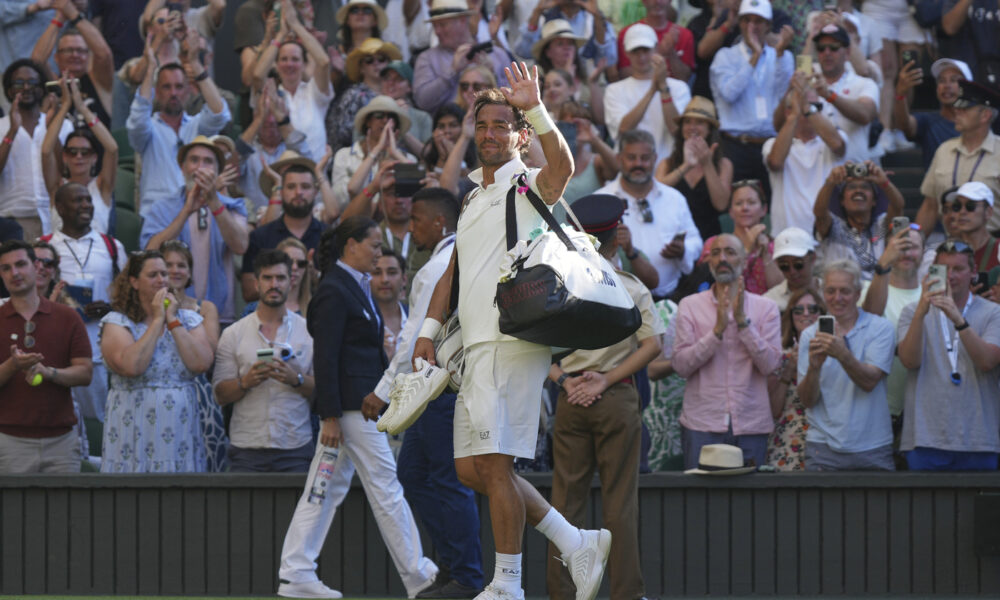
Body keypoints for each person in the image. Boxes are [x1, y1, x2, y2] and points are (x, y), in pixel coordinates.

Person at [412, 66, 611, 600]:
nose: (491, 134)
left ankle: (508, 586)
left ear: (521, 136)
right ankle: (573, 540)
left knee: (494, 466)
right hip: (475, 350)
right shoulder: (474, 197)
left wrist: (538, 108)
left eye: (504, 125)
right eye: (484, 125)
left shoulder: (526, 184)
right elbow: (454, 273)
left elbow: (563, 166)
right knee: (471, 469)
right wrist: (429, 331)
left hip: (510, 343)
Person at [278, 217, 438, 600]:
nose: (378, 253)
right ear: (351, 245)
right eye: (374, 245)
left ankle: (296, 571)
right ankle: (420, 577)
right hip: (349, 412)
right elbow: (326, 357)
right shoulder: (336, 288)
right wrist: (330, 416)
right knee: (386, 487)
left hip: (352, 410)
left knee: (325, 489)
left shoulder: (350, 285)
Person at [361, 188, 483, 599]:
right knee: (413, 477)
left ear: (438, 223)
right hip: (431, 390)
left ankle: (466, 575)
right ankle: (451, 565)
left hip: (439, 387)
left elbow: (415, 335)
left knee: (449, 482)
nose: (409, 228)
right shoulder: (441, 261)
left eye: (415, 220)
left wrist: (382, 391)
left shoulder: (438, 268)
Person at [545, 194, 663, 600]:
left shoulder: (557, 284)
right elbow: (653, 345)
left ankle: (560, 594)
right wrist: (607, 379)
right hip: (615, 397)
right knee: (620, 506)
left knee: (564, 507)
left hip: (571, 397)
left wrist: (565, 381)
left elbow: (533, 348)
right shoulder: (630, 286)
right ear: (616, 236)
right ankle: (626, 594)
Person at [672, 234, 783, 470]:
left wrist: (743, 324)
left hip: (751, 424)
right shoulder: (690, 306)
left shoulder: (767, 308)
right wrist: (717, 331)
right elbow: (681, 366)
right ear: (709, 262)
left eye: (730, 252)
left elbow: (771, 365)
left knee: (752, 505)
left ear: (744, 261)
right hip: (702, 423)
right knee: (700, 503)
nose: (722, 258)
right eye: (716, 252)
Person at [99, 250, 215, 472]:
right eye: (153, 275)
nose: (162, 279)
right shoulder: (116, 322)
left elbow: (201, 363)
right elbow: (132, 366)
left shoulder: (188, 320)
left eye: (164, 274)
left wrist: (171, 320)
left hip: (179, 429)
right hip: (132, 427)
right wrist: (156, 320)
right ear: (134, 282)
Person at [897, 240, 1000, 471]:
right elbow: (909, 361)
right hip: (925, 439)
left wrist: (958, 320)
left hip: (978, 439)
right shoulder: (913, 312)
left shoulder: (994, 313)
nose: (951, 276)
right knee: (925, 508)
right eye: (944, 269)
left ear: (973, 272)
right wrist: (922, 312)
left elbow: (987, 362)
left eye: (959, 269)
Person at [214, 249, 315, 473]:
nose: (274, 284)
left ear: (291, 281)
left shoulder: (308, 332)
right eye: (267, 278)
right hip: (246, 448)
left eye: (280, 278)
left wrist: (296, 379)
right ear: (257, 283)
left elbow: (325, 390)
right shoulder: (233, 334)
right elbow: (220, 394)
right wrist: (245, 382)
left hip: (295, 446)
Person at [0, 239, 92, 474]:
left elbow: (85, 372)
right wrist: (13, 365)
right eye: (6, 268)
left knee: (66, 511)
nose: (15, 273)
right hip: (10, 441)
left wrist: (49, 373)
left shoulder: (68, 317)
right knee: (14, 512)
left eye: (21, 264)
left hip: (61, 440)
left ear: (36, 266)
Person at [797, 259, 896, 471]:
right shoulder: (810, 334)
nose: (837, 298)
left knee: (878, 506)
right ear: (823, 292)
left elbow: (869, 382)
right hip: (822, 446)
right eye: (830, 291)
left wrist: (842, 354)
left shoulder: (880, 328)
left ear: (858, 294)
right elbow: (807, 400)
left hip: (872, 445)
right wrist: (814, 368)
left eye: (845, 291)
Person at [140, 136, 249, 324]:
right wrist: (186, 211)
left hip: (220, 315)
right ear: (182, 168)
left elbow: (240, 246)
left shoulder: (233, 206)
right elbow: (150, 251)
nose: (200, 167)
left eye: (208, 161)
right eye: (194, 160)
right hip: (169, 312)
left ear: (217, 171)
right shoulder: (161, 208)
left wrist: (214, 202)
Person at [43, 182, 126, 427]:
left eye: (88, 200)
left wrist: (110, 308)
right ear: (59, 206)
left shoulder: (112, 247)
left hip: (100, 352)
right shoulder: (44, 246)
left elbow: (129, 299)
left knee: (101, 423)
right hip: (58, 355)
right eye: (78, 200)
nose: (86, 205)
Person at [126, 34, 231, 218]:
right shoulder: (148, 129)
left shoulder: (197, 126)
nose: (173, 93)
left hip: (196, 213)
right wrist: (151, 69)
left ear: (188, 91)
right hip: (157, 216)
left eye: (179, 87)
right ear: (156, 93)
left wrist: (195, 64)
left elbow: (220, 114)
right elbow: (137, 120)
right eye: (166, 87)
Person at [595, 129, 702, 299]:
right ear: (619, 159)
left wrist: (683, 250)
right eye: (631, 158)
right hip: (620, 300)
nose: (638, 164)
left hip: (671, 296)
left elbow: (695, 241)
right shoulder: (600, 200)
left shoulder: (674, 198)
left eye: (644, 158)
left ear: (654, 159)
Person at [709, 0, 794, 190]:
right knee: (737, 209)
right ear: (739, 23)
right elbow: (729, 93)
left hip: (771, 145)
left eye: (758, 21)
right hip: (735, 146)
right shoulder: (725, 56)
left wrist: (779, 54)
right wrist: (753, 60)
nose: (751, 27)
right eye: (746, 21)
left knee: (774, 207)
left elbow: (784, 97)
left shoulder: (782, 57)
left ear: (768, 26)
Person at [159, 239, 228, 472]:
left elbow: (212, 349)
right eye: (168, 265)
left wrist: (180, 314)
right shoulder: (147, 307)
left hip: (199, 392)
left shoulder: (205, 308)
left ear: (190, 273)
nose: (175, 271)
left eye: (181, 265)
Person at [861, 225, 924, 459]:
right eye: (900, 247)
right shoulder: (868, 288)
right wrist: (883, 267)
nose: (906, 253)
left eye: (913, 247)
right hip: (877, 411)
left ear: (924, 251)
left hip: (920, 414)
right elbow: (870, 319)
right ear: (886, 250)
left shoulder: (932, 294)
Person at [249, 0, 333, 163]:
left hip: (316, 177)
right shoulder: (272, 94)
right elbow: (258, 75)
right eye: (284, 59)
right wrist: (280, 35)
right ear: (277, 64)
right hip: (283, 177)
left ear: (304, 65)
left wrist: (296, 25)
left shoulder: (313, 92)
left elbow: (324, 62)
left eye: (295, 59)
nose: (289, 64)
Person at [765, 73, 846, 236]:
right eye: (806, 107)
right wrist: (795, 115)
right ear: (789, 111)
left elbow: (838, 145)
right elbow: (775, 162)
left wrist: (807, 107)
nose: (813, 112)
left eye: (818, 107)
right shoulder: (771, 144)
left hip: (828, 236)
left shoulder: (836, 137)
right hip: (787, 237)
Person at [915, 80, 1000, 235]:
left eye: (965, 109)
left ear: (985, 115)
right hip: (953, 246)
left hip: (992, 246)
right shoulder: (944, 149)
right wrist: (916, 241)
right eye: (957, 107)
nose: (957, 112)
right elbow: (930, 206)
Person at [1, 59, 74, 240]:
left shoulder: (63, 126)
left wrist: (51, 129)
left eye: (32, 82)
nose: (26, 87)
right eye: (19, 83)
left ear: (42, 89)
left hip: (55, 217)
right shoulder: (1, 126)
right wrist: (12, 131)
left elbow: (66, 170)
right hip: (12, 219)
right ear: (9, 90)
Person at [604, 23, 691, 163]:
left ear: (656, 48)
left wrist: (663, 88)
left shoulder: (679, 88)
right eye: (635, 51)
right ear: (626, 53)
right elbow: (624, 129)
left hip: (668, 167)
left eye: (646, 50)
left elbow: (677, 130)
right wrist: (652, 91)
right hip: (631, 170)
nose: (641, 56)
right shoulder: (614, 90)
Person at [41, 77, 118, 235]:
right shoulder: (57, 188)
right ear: (64, 157)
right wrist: (65, 107)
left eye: (85, 152)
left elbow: (112, 149)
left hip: (97, 256)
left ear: (94, 157)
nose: (78, 157)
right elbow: (46, 151)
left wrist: (82, 107)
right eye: (72, 152)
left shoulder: (102, 187)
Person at [242, 162, 327, 303]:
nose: (298, 192)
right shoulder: (261, 236)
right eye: (291, 187)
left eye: (305, 187)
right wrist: (276, 280)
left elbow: (340, 288)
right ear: (281, 192)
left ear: (316, 192)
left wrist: (314, 277)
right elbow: (248, 291)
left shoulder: (329, 235)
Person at [655, 96, 733, 241]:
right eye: (687, 122)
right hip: (673, 237)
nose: (692, 127)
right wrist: (686, 166)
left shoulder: (723, 164)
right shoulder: (667, 163)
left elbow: (721, 204)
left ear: (710, 129)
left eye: (699, 122)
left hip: (709, 238)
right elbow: (655, 193)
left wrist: (707, 163)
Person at [412, 0, 510, 115]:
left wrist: (492, 76)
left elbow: (513, 98)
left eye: (443, 25)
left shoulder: (496, 54)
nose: (437, 31)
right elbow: (422, 102)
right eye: (435, 26)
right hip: (449, 129)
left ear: (463, 20)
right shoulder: (427, 59)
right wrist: (452, 72)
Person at [766, 287, 824, 471]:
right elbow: (773, 411)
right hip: (787, 440)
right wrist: (788, 370)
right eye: (798, 310)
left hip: (825, 441)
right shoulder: (779, 356)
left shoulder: (835, 354)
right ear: (790, 316)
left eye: (813, 309)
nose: (806, 314)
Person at [814, 161, 905, 279]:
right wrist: (830, 182)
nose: (858, 191)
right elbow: (819, 212)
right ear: (842, 200)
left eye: (865, 187)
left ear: (874, 201)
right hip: (839, 294)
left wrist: (884, 183)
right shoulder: (833, 225)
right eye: (851, 187)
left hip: (877, 293)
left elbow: (898, 207)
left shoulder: (881, 225)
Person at [30, 0, 113, 126]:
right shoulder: (53, 83)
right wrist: (59, 18)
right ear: (56, 57)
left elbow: (104, 55)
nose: (75, 55)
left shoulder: (99, 81)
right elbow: (36, 62)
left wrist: (73, 14)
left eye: (80, 50)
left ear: (89, 55)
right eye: (68, 50)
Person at [809, 24, 879, 164]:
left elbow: (865, 114)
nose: (827, 53)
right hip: (817, 176)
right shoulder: (808, 83)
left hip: (853, 176)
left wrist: (830, 96)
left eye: (834, 47)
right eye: (821, 48)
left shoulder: (864, 84)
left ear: (847, 53)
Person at [332, 95, 414, 211]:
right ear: (368, 122)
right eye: (379, 115)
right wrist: (377, 150)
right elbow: (341, 200)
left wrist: (395, 153)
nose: (385, 120)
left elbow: (417, 188)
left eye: (391, 117)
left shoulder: (406, 158)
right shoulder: (344, 155)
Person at [893, 58, 972, 170]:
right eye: (941, 80)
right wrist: (900, 94)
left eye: (954, 80)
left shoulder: (978, 124)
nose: (947, 85)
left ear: (968, 87)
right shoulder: (928, 121)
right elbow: (905, 126)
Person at [328, 38, 402, 154]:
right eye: (369, 60)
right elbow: (340, 132)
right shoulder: (353, 94)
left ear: (388, 64)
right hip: (355, 157)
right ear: (361, 68)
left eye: (381, 59)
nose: (376, 63)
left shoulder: (396, 93)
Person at [532, 20, 604, 124]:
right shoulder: (538, 74)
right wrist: (566, 77)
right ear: (548, 52)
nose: (567, 48)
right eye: (560, 44)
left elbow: (600, 119)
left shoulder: (589, 71)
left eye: (570, 43)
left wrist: (593, 83)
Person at [516, 0, 617, 68]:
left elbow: (607, 61)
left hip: (584, 84)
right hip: (548, 82)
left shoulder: (595, 20)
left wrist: (597, 17)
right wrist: (537, 12)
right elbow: (524, 53)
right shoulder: (542, 17)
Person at [725, 179, 782, 294]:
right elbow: (723, 282)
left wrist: (766, 255)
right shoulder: (716, 244)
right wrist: (746, 249)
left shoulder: (776, 246)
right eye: (738, 203)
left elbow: (780, 290)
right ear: (731, 211)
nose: (745, 208)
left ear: (763, 210)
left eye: (751, 202)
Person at [615, 0, 694, 81]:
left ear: (670, 1)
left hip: (673, 92)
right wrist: (659, 53)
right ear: (644, 1)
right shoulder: (628, 33)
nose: (657, 1)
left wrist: (671, 53)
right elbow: (624, 74)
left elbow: (684, 78)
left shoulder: (684, 34)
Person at [943, 182, 999, 274]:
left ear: (988, 212)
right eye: (957, 206)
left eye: (970, 206)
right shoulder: (945, 252)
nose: (962, 211)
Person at [382, 61, 434, 156]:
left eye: (398, 79)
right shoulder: (370, 114)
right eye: (387, 78)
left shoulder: (422, 117)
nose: (391, 83)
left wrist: (401, 125)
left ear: (409, 87)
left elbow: (428, 155)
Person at [764, 227, 819, 311]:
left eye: (798, 264)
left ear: (813, 258)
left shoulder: (833, 293)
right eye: (784, 266)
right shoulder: (769, 301)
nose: (792, 271)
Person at [372, 247, 407, 360]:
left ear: (404, 280)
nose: (385, 279)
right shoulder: (359, 322)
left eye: (392, 272)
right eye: (377, 273)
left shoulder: (416, 319)